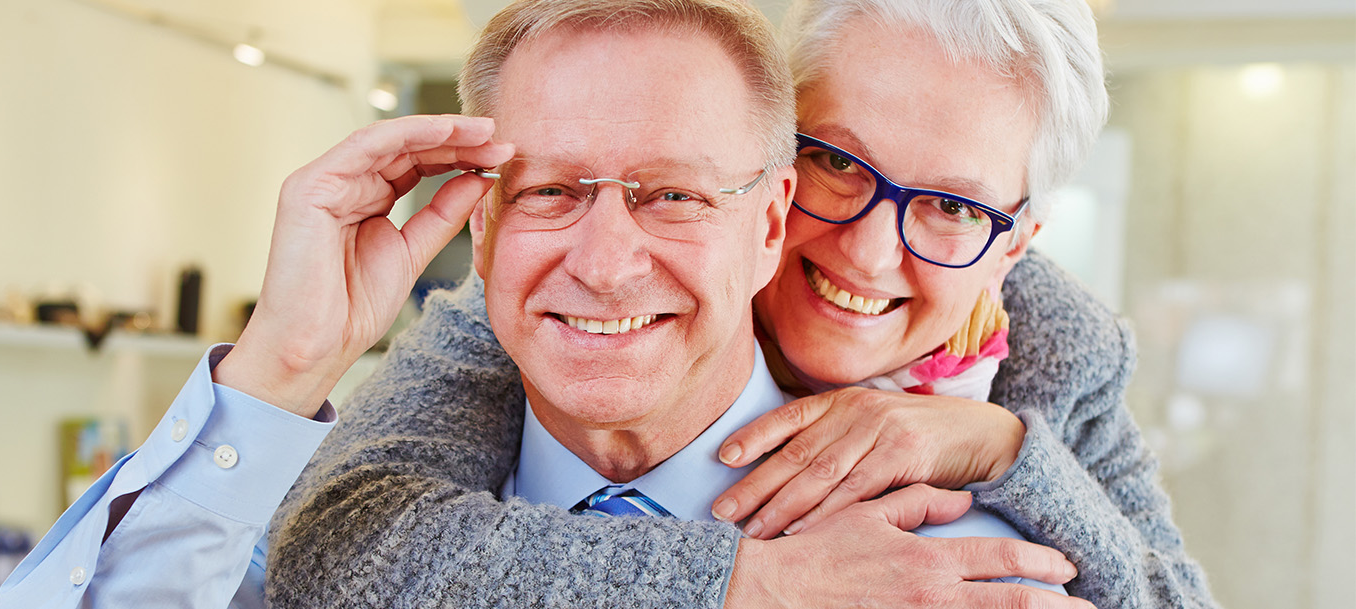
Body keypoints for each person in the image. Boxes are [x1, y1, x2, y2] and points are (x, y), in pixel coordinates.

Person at [266, 0, 1219, 608]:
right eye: (836, 164)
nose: (868, 248)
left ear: (1015, 242)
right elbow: (343, 540)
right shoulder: (563, 293)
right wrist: (746, 583)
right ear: (768, 167)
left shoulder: (1056, 354)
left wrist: (994, 446)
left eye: (952, 206)